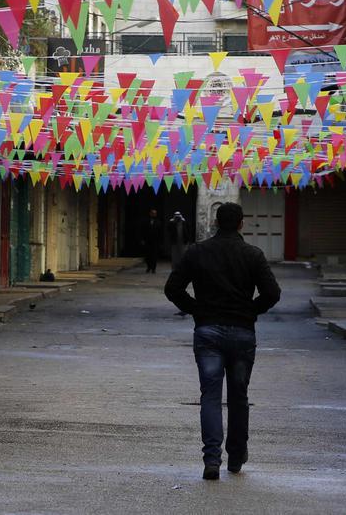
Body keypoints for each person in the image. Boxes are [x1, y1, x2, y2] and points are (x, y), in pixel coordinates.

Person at [164, 202, 282, 481]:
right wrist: (251, 310)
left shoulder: (197, 252)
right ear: (241, 224)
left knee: (211, 396)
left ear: (217, 222)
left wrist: (197, 309)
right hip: (242, 334)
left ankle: (212, 460)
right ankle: (237, 456)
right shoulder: (253, 254)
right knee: (239, 397)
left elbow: (172, 288)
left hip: (208, 332)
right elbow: (272, 293)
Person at [142, 208, 164, 274]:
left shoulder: (158, 222)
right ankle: (148, 267)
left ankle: (153, 268)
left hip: (155, 241)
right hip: (147, 240)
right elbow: (142, 230)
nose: (154, 214)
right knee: (148, 255)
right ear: (150, 213)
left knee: (154, 255)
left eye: (155, 213)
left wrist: (160, 241)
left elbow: (160, 232)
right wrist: (142, 239)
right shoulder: (146, 221)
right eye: (152, 213)